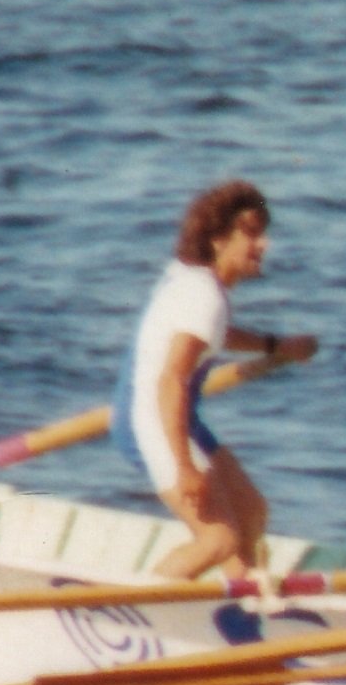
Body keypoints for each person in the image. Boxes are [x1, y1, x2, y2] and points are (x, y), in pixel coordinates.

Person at [116, 181, 316, 580]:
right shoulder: (202, 296)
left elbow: (215, 335)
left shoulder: (200, 285)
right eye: (252, 234)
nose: (264, 245)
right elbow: (171, 380)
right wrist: (185, 465)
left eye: (263, 234)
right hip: (153, 419)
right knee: (218, 540)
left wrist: (277, 345)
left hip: (178, 417)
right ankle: (131, 612)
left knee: (252, 513)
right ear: (218, 239)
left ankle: (242, 619)